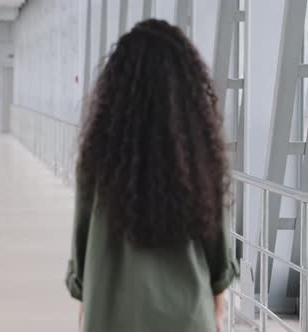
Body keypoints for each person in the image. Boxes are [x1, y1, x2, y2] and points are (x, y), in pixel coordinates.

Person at [66, 19, 238, 332]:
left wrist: (85, 297)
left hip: (110, 317)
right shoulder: (201, 157)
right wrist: (218, 299)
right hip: (188, 318)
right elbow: (219, 258)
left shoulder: (97, 159)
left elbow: (82, 243)